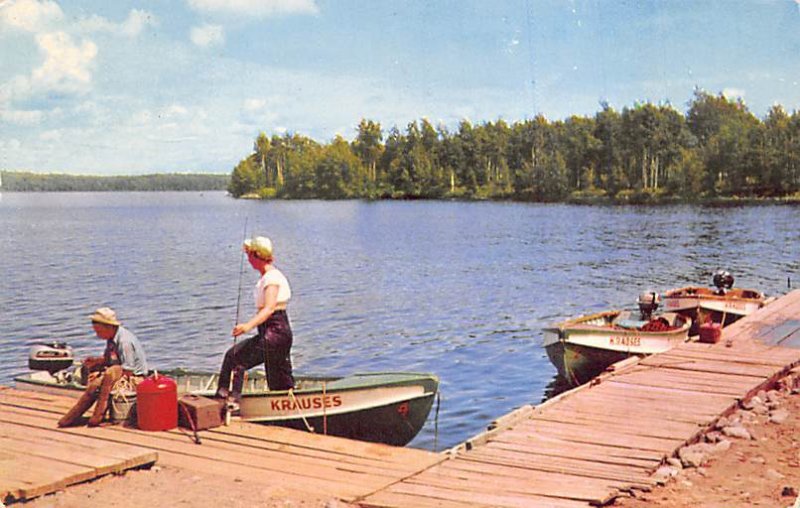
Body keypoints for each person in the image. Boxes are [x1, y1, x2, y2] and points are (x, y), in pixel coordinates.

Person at [216, 236, 295, 404]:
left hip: (274, 332)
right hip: (278, 332)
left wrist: (247, 326)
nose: (248, 259)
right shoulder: (269, 276)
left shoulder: (271, 279)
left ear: (255, 256)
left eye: (249, 255)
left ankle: (229, 402)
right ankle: (287, 406)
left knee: (235, 358)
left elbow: (269, 308)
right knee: (278, 378)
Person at [58, 307, 149, 427]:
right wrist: (96, 362)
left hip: (134, 378)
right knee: (95, 383)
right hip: (119, 372)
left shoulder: (124, 342)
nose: (97, 334)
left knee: (102, 381)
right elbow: (111, 359)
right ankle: (71, 418)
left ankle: (96, 415)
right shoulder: (112, 338)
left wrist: (102, 375)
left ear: (109, 327)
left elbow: (128, 370)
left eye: (99, 331)